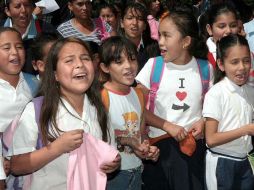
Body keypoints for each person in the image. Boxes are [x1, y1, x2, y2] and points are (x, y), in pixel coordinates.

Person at [10, 37, 120, 190]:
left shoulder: (99, 110)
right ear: (55, 74)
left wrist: (113, 163)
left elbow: (110, 150)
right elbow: (16, 165)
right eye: (69, 61)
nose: (80, 65)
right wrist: (56, 148)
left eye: (85, 58)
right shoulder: (38, 109)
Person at [136, 7, 213, 190]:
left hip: (194, 150)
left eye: (166, 35)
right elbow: (137, 107)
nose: (159, 41)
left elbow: (213, 108)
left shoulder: (205, 69)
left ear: (186, 41)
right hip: (157, 151)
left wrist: (203, 121)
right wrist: (167, 126)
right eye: (159, 35)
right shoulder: (153, 66)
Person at [99, 36, 159, 190]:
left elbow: (141, 132)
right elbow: (97, 139)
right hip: (112, 177)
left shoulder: (138, 94)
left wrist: (146, 147)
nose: (129, 66)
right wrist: (127, 141)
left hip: (137, 171)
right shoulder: (101, 96)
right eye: (119, 62)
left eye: (132, 59)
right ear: (105, 67)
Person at [203, 34, 254, 190]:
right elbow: (210, 139)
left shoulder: (250, 90)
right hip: (222, 162)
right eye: (234, 62)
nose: (242, 67)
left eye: (246, 61)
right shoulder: (216, 93)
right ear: (221, 64)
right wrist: (245, 130)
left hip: (245, 159)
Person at [0, 27, 39, 190]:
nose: (14, 53)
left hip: (29, 164)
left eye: (19, 46)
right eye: (6, 48)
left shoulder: (35, 84)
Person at [3, 0, 56, 74]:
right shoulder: (1, 30)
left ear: (32, 8)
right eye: (17, 6)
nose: (23, 10)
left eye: (27, 5)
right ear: (7, 11)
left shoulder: (47, 30)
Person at [118, 2, 160, 72]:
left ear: (145, 25)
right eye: (130, 18)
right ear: (122, 23)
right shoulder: (114, 47)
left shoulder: (154, 47)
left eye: (140, 19)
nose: (134, 23)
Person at [205, 3, 239, 68]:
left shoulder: (248, 54)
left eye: (233, 25)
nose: (229, 31)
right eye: (222, 26)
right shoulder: (202, 58)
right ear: (209, 29)